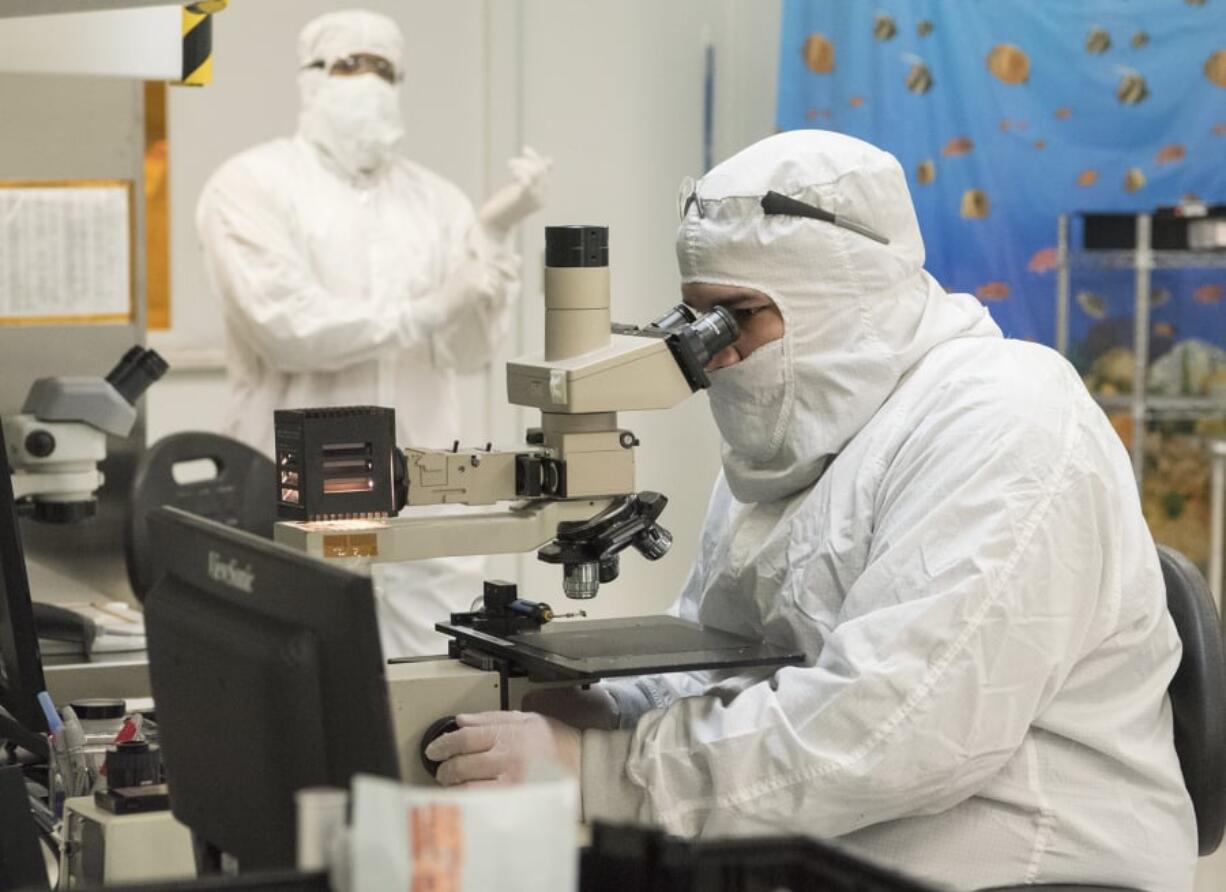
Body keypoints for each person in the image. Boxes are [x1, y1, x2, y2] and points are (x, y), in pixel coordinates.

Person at [425, 130, 1198, 890]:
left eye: (736, 319)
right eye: (696, 324)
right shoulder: (792, 440)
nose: (713, 358)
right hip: (837, 848)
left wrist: (600, 772)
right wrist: (611, 711)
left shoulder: (1006, 419)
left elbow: (898, 732)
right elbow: (720, 658)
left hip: (1022, 867)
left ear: (843, 298)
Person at [196, 10, 550, 658]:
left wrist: (492, 244)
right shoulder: (250, 185)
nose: (368, 82)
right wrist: (422, 310)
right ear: (310, 79)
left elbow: (468, 351)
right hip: (292, 489)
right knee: (295, 695)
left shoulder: (438, 201)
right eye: (348, 65)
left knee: (439, 696)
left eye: (384, 69)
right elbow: (287, 328)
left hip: (426, 490)